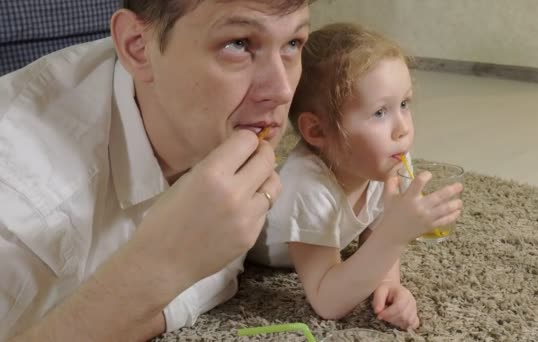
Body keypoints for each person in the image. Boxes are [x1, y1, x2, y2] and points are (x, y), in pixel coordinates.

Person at [0, 0, 314, 340]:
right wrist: (157, 269)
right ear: (138, 46)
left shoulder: (207, 126)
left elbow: (219, 263)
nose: (282, 91)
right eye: (238, 44)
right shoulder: (20, 202)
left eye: (293, 44)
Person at [249, 23, 464, 330]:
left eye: (404, 104)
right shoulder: (306, 186)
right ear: (317, 130)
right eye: (380, 112)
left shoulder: (383, 164)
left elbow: (374, 238)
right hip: (253, 253)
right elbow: (327, 300)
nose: (402, 127)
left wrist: (390, 284)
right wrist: (396, 233)